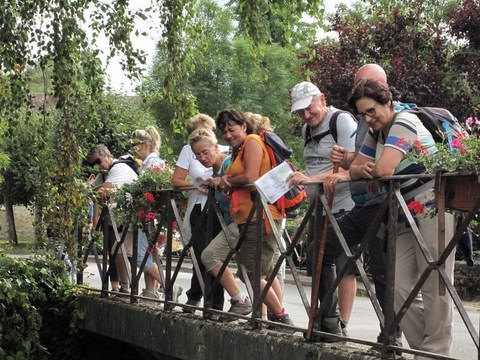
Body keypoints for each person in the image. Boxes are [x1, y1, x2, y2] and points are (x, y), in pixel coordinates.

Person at [347, 78, 455, 358]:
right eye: (363, 115)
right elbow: (354, 170)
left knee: (436, 283)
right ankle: (426, 350)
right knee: (398, 287)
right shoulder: (377, 133)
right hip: (404, 212)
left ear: (389, 103)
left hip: (434, 206)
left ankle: (435, 351)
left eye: (372, 111)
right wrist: (364, 170)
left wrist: (367, 170)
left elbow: (383, 169)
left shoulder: (404, 121)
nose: (369, 119)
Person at [328, 63, 404, 347]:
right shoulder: (365, 121)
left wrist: (368, 169)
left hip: (387, 204)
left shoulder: (396, 115)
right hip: (362, 203)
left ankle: (391, 336)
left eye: (369, 85)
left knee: (384, 270)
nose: (362, 91)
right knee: (322, 249)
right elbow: (360, 164)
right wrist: (349, 159)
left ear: (384, 89)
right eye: (358, 85)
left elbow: (383, 168)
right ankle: (327, 321)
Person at [287, 81, 358, 337]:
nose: (306, 116)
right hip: (320, 206)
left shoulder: (342, 121)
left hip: (346, 205)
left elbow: (355, 166)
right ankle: (327, 319)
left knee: (344, 264)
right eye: (300, 112)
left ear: (323, 100)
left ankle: (339, 325)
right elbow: (317, 169)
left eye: (309, 109)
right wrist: (302, 176)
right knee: (316, 259)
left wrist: (312, 179)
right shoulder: (308, 128)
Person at [216, 108, 293, 327]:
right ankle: (264, 317)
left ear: (244, 126)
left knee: (251, 272)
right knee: (262, 271)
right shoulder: (239, 148)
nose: (228, 135)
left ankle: (281, 317)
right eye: (224, 132)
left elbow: (251, 176)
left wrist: (227, 181)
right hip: (248, 216)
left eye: (232, 129)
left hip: (262, 217)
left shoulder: (251, 141)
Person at [190, 128, 252, 316]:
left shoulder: (226, 164)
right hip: (235, 221)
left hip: (240, 220)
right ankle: (270, 314)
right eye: (197, 154)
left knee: (210, 256)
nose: (202, 157)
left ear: (216, 147)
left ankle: (241, 301)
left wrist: (222, 183)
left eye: (205, 152)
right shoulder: (218, 169)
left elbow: (241, 183)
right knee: (252, 271)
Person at [172, 114, 226, 312]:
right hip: (199, 208)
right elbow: (176, 180)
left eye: (209, 129)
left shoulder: (222, 150)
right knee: (202, 252)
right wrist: (196, 185)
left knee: (214, 255)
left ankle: (214, 303)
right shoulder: (189, 151)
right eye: (199, 130)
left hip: (220, 206)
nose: (204, 132)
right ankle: (199, 297)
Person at [131, 126, 183, 301]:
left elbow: (155, 191)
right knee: (150, 254)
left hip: (149, 215)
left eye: (135, 144)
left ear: (146, 145)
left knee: (140, 256)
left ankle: (170, 286)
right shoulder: (150, 162)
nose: (133, 149)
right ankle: (151, 292)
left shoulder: (153, 163)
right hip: (152, 216)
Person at [88, 144, 136, 294]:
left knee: (137, 256)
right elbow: (92, 190)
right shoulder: (106, 172)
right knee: (118, 251)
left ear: (108, 156)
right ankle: (125, 287)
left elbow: (103, 189)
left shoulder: (117, 168)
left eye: (98, 161)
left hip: (130, 219)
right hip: (119, 219)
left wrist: (99, 189)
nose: (97, 166)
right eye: (94, 163)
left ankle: (129, 287)